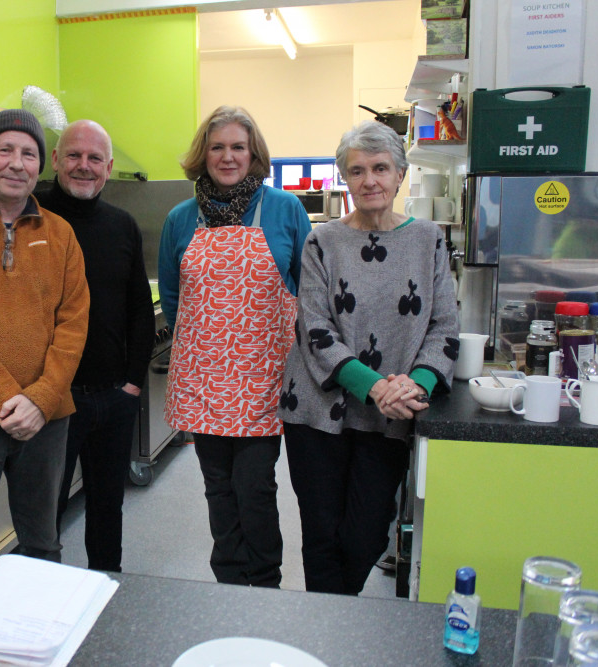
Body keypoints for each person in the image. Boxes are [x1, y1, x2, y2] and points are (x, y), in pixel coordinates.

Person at [0, 120, 155, 573]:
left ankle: (39, 638)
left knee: (44, 547)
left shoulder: (61, 234)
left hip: (47, 417)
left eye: (28, 154)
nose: (16, 163)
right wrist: (12, 400)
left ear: (40, 164)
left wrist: (41, 401)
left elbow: (72, 323)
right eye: (5, 151)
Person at [279, 120, 459, 595]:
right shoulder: (323, 241)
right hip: (318, 410)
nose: (369, 180)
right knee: (321, 535)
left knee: (364, 537)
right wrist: (374, 386)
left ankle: (337, 616)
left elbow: (445, 327)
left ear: (400, 174)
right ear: (346, 179)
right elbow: (314, 327)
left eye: (380, 168)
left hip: (390, 414)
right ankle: (331, 631)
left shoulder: (429, 239)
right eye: (357, 171)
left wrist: (414, 384)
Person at [158, 105, 311, 588]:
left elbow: (310, 293)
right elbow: (173, 296)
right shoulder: (181, 218)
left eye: (238, 147)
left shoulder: (285, 210)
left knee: (256, 489)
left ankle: (264, 585)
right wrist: (212, 343)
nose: (228, 156)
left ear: (254, 154)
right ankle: (227, 582)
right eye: (217, 146)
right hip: (203, 381)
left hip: (263, 382)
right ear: (203, 154)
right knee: (218, 490)